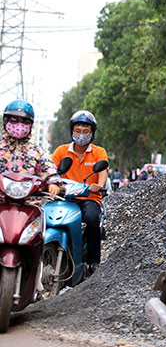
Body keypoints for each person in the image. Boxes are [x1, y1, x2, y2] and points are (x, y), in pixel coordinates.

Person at [51, 110, 108, 275]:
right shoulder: (61, 151)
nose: (81, 135)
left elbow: (102, 173)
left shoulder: (99, 152)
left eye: (85, 132)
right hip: (66, 197)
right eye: (77, 131)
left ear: (92, 133)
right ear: (72, 131)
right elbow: (51, 171)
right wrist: (51, 183)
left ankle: (93, 261)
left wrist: (98, 185)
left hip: (89, 197)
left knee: (91, 218)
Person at [0, 100, 61, 199]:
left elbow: (49, 170)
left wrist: (54, 183)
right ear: (6, 121)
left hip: (30, 204)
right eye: (14, 119)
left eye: (25, 121)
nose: (19, 124)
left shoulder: (37, 152)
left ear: (31, 125)